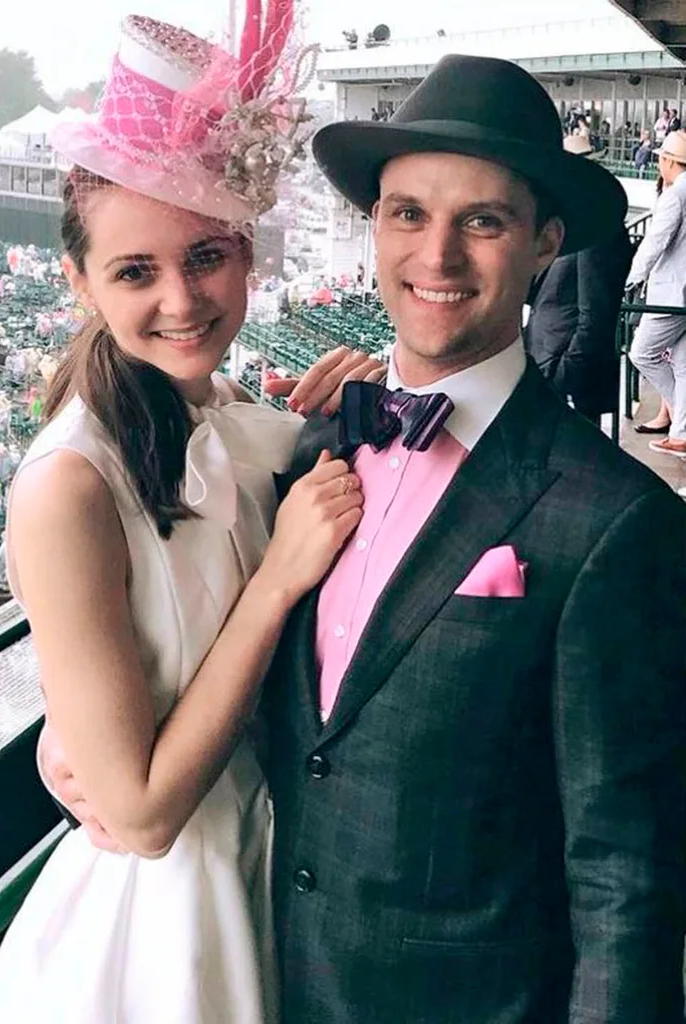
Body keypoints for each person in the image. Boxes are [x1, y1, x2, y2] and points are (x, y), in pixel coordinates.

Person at [50, 54, 686, 1022]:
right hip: (267, 971)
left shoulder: (618, 521)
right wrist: (70, 746)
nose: (437, 257)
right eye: (408, 215)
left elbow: (624, 877)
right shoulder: (304, 449)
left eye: (482, 220)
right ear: (374, 228)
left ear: (544, 241)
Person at [0, 13, 381, 1023]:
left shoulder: (236, 417)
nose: (181, 300)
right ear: (77, 282)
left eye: (204, 257)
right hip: (160, 933)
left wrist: (336, 420)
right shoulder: (65, 485)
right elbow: (143, 815)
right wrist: (280, 574)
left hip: (276, 865)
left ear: (246, 255)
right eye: (134, 272)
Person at [524, 134, 633, 425]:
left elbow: (596, 315)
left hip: (566, 382)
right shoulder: (564, 224)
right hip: (544, 367)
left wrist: (565, 375)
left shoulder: (599, 232)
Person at [627, 130, 686, 455]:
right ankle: (681, 433)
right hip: (681, 297)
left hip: (671, 294)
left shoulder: (675, 196)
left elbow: (654, 246)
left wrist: (630, 279)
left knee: (642, 353)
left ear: (666, 161)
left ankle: (682, 422)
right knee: (680, 362)